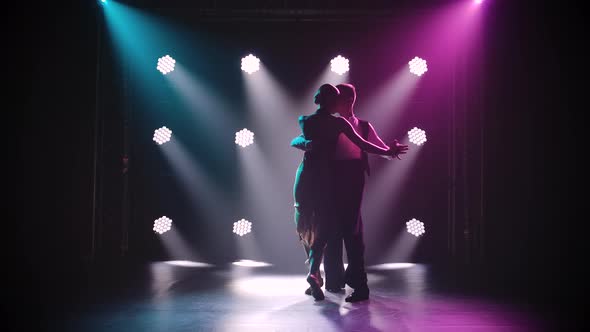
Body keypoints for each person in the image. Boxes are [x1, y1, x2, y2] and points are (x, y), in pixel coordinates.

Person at [292, 83, 408, 302]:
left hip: (351, 183)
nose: (344, 101)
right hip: (330, 180)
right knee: (328, 232)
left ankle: (355, 284)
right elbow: (299, 138)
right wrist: (307, 143)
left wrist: (389, 152)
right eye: (339, 97)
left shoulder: (359, 125)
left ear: (352, 99)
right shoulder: (330, 123)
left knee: (351, 234)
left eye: (347, 97)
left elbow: (371, 146)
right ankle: (329, 280)